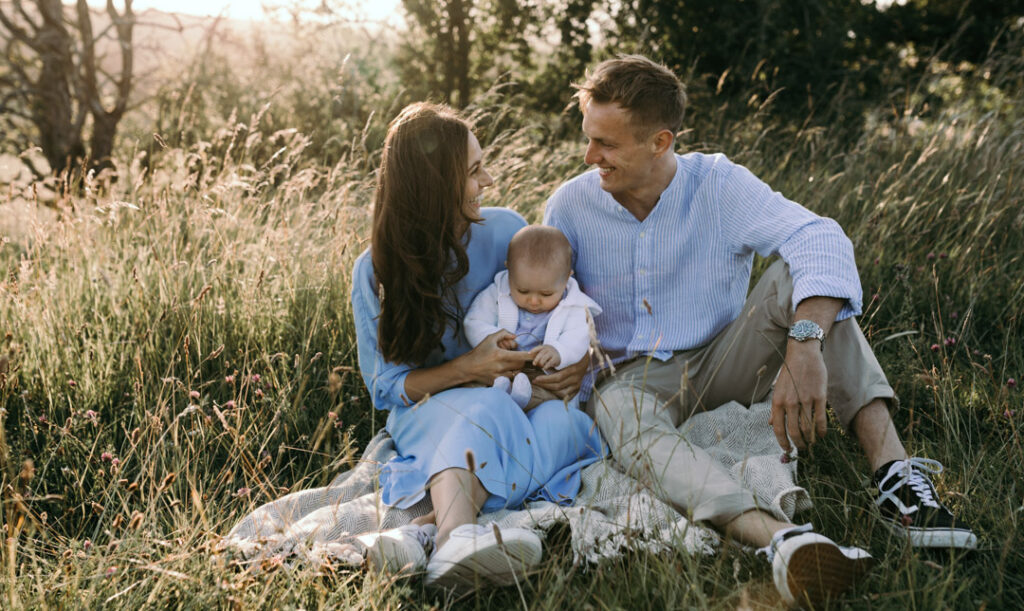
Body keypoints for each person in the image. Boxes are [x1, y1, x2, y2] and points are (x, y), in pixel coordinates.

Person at [543, 54, 978, 607]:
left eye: (606, 143)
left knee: (806, 282)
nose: (590, 156)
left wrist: (805, 344)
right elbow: (544, 306)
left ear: (660, 141)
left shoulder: (719, 184)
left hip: (725, 359)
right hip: (631, 381)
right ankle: (783, 541)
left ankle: (895, 480)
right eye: (588, 138)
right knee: (619, 412)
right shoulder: (571, 204)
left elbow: (819, 237)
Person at [350, 102, 605, 590]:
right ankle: (455, 541)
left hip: (525, 401)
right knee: (483, 407)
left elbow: (561, 305)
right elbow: (385, 388)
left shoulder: (508, 230)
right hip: (433, 409)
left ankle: (422, 536)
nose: (487, 180)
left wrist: (580, 359)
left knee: (570, 425)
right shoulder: (376, 269)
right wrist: (470, 367)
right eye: (473, 171)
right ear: (433, 184)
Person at [463, 224, 602, 410]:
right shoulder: (497, 292)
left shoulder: (574, 306)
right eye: (522, 290)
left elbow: (579, 338)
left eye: (546, 294)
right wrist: (492, 337)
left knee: (549, 399)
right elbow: (474, 321)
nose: (534, 301)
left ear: (566, 279)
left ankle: (519, 399)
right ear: (509, 271)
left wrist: (558, 351)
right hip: (501, 370)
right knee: (471, 387)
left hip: (542, 377)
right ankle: (499, 393)